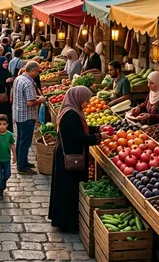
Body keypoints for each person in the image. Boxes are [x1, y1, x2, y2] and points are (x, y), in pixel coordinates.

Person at [48, 86, 110, 232]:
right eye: (86, 100)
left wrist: (98, 129)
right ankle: (69, 224)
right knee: (69, 190)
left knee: (66, 189)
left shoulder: (72, 111)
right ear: (78, 98)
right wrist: (99, 138)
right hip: (70, 157)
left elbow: (81, 129)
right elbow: (79, 138)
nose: (87, 103)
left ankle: (66, 221)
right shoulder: (71, 114)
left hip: (67, 154)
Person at [12, 61, 45, 175]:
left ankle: (22, 161)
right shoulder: (28, 83)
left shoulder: (19, 78)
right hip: (26, 116)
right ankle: (22, 166)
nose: (37, 73)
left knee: (21, 140)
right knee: (25, 141)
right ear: (33, 70)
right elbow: (30, 102)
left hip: (18, 114)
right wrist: (40, 100)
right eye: (37, 71)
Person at [0, 114, 16, 201]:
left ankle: (3, 182)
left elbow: (12, 145)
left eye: (4, 124)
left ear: (7, 125)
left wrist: (14, 155)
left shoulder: (9, 135)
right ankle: (0, 191)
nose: (2, 126)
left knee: (8, 174)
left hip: (7, 159)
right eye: (0, 124)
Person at [0, 57, 15, 131]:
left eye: (7, 63)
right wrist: (5, 82)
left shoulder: (8, 72)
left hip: (7, 99)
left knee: (7, 115)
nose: (6, 64)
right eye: (4, 63)